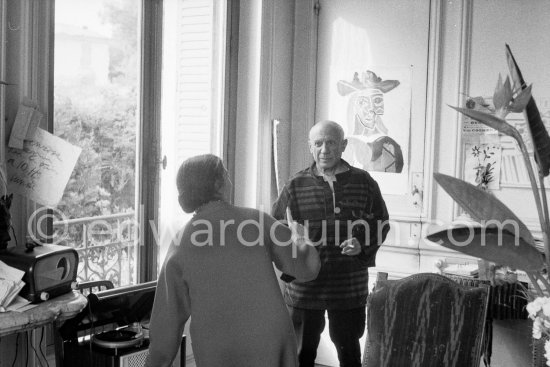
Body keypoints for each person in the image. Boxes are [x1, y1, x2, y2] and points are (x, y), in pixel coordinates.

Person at [146, 154, 321, 367]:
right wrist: (301, 236)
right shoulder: (257, 220)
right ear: (218, 185)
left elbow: (166, 322)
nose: (231, 182)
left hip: (218, 345)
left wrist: (156, 361)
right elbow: (306, 268)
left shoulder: (181, 242)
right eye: (227, 176)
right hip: (271, 339)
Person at [272, 120, 390, 367]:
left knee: (349, 355)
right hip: (304, 287)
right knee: (300, 356)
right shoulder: (295, 185)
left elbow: (381, 222)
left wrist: (362, 245)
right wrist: (292, 238)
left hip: (348, 287)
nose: (324, 149)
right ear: (310, 147)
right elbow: (275, 227)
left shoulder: (364, 182)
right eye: (318, 143)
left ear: (343, 145)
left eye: (331, 142)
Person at [337, 70, 404, 173]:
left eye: (377, 101)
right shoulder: (345, 146)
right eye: (363, 102)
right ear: (354, 106)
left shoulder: (390, 145)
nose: (371, 110)